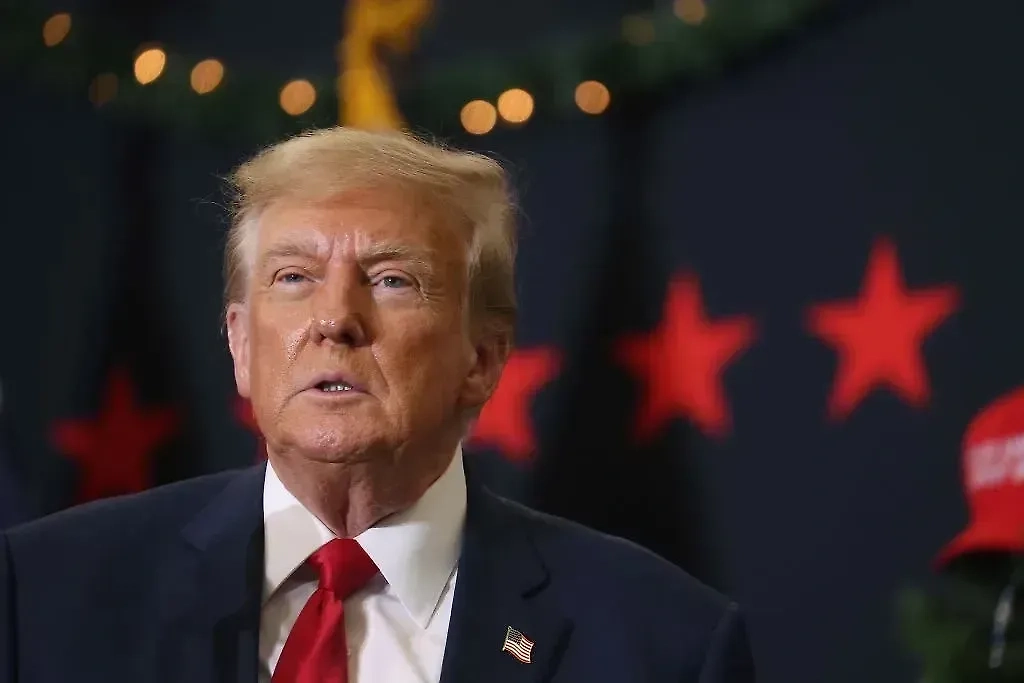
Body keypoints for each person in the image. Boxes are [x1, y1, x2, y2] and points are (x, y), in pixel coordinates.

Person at [0, 128, 755, 682]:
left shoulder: (662, 642)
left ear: (482, 358)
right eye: (294, 277)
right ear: (240, 344)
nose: (335, 319)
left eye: (393, 280)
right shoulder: (42, 594)